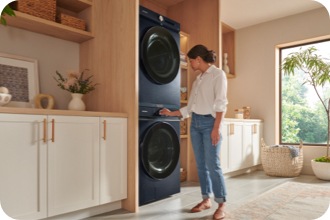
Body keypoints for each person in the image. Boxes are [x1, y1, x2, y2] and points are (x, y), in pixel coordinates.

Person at [159, 44, 228, 220]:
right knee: (201, 165)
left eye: (191, 61)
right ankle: (206, 199)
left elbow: (221, 103)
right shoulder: (198, 79)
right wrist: (171, 113)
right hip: (195, 123)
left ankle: (221, 204)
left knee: (213, 165)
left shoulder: (218, 75)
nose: (190, 64)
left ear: (198, 59)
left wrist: (216, 128)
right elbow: (190, 108)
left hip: (210, 123)